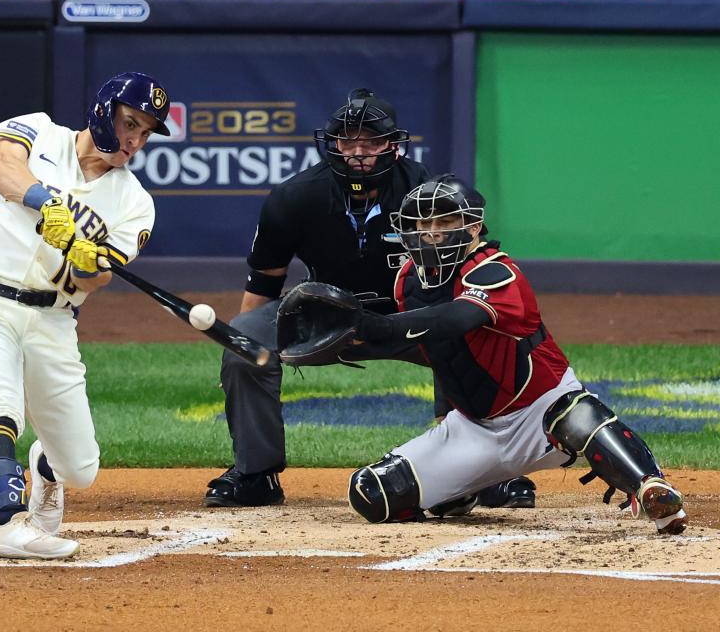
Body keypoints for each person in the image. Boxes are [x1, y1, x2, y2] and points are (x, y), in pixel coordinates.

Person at [279, 175, 687, 534]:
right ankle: (463, 490)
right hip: (474, 428)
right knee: (372, 495)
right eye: (423, 224)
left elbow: (457, 319)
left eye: (444, 222)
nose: (432, 233)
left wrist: (377, 326)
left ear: (473, 227)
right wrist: (355, 346)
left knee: (579, 413)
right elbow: (432, 346)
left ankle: (650, 489)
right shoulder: (409, 280)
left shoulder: (495, 270)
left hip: (539, 410)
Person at [205, 89, 536, 512]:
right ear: (332, 144)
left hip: (412, 314)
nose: (358, 153)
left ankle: (489, 472)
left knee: (469, 334)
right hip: (324, 316)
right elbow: (264, 284)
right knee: (244, 343)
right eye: (347, 142)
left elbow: (464, 271)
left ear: (392, 145)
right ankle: (255, 475)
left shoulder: (425, 192)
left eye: (371, 141)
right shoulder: (294, 198)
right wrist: (240, 353)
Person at [0, 71, 171, 559]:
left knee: (80, 467)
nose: (135, 140)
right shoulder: (38, 131)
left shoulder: (136, 203)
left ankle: (46, 469)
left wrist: (88, 262)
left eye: (146, 132)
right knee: (0, 406)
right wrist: (45, 201)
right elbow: (3, 168)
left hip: (53, 322)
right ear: (104, 110)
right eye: (130, 123)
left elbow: (98, 278)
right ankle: (7, 522)